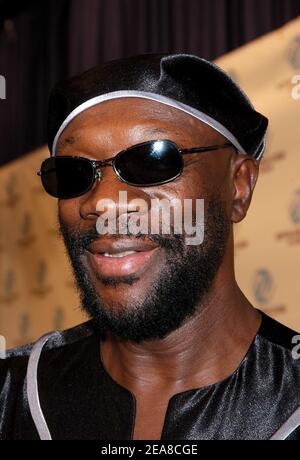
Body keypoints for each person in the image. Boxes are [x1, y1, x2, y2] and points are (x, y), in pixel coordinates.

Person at [1, 53, 300, 440]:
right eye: (75, 172)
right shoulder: (14, 394)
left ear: (238, 186)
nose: (102, 203)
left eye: (153, 161)